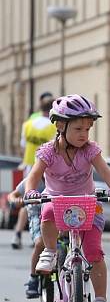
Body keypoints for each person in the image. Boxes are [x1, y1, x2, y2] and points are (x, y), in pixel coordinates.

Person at [24, 94, 110, 302]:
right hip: (56, 203)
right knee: (46, 211)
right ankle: (49, 251)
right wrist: (31, 191)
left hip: (87, 203)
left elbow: (106, 171)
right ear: (60, 125)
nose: (84, 135)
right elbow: (34, 176)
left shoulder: (90, 150)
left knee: (94, 254)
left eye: (87, 129)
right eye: (78, 129)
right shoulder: (48, 152)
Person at [12, 92, 57, 250]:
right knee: (47, 200)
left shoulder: (28, 124)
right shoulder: (54, 126)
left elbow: (23, 145)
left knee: (29, 201)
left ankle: (18, 232)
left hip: (29, 166)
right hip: (46, 167)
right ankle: (38, 235)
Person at [8, 178, 46, 298]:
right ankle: (33, 279)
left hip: (57, 214)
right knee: (40, 243)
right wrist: (16, 200)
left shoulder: (60, 175)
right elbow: (12, 195)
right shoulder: (32, 179)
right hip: (37, 215)